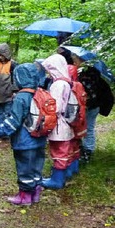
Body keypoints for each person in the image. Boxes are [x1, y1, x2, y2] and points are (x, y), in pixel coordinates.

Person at [0, 64, 48, 206]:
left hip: (24, 141)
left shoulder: (21, 97)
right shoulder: (40, 92)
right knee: (36, 167)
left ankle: (25, 196)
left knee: (24, 168)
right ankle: (36, 193)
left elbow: (14, 121)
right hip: (40, 138)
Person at [40, 54, 74, 189]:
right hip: (66, 122)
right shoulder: (67, 82)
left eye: (49, 69)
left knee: (59, 151)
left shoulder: (58, 85)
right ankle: (63, 175)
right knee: (64, 150)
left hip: (59, 124)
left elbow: (55, 107)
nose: (48, 72)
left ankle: (56, 181)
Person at [78, 64, 114, 162]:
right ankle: (89, 150)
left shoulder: (81, 78)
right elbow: (108, 97)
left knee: (78, 128)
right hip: (94, 107)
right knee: (90, 128)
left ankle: (79, 149)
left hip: (82, 107)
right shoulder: (101, 81)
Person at [0, 43, 18, 125]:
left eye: (2, 55)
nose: (1, 57)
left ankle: (7, 133)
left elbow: (16, 80)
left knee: (7, 115)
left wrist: (14, 92)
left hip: (8, 96)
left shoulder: (13, 65)